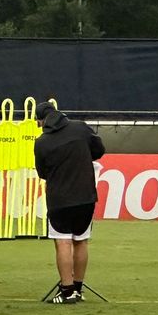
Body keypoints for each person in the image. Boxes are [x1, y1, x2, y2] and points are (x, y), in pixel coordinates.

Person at [34, 100, 105, 304]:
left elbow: (42, 172)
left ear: (42, 120)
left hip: (59, 199)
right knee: (81, 240)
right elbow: (99, 150)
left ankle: (67, 291)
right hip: (86, 196)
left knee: (63, 242)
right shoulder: (80, 128)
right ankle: (78, 287)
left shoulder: (42, 142)